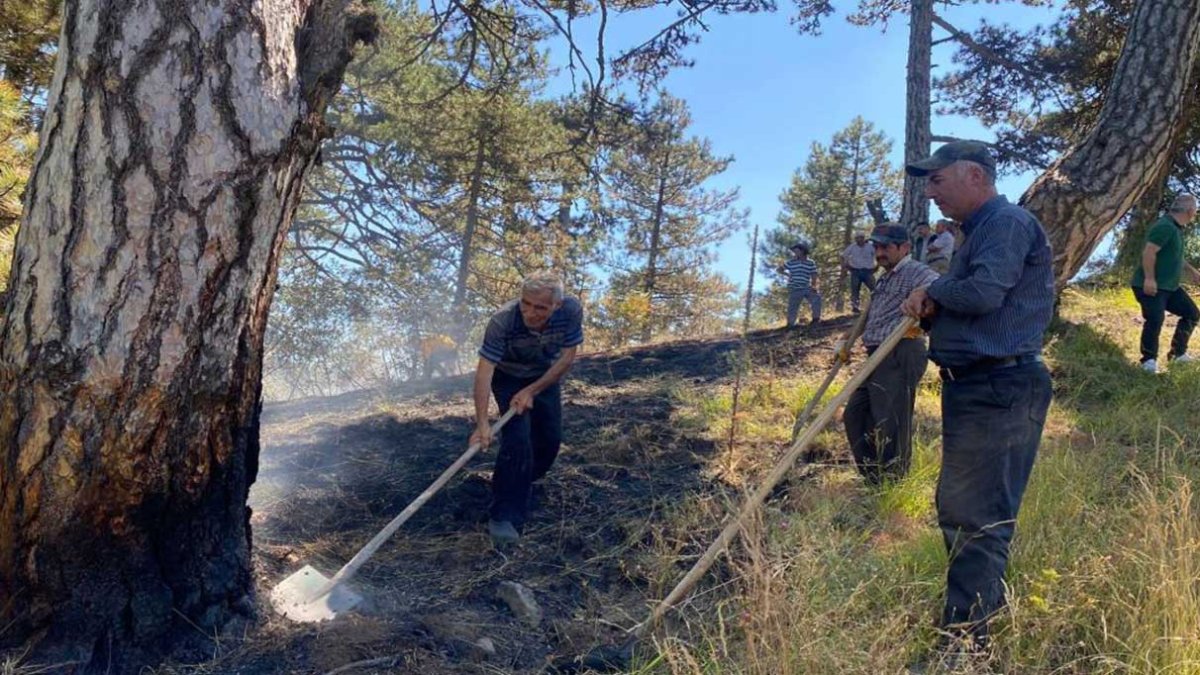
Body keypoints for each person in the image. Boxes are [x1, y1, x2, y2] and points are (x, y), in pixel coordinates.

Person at [901, 141, 1054, 665]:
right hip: (976, 387)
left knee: (980, 518)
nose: (930, 191)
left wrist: (937, 291)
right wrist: (934, 306)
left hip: (1001, 388)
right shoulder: (977, 233)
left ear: (973, 175)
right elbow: (978, 305)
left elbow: (985, 293)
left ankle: (966, 649)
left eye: (937, 179)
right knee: (960, 509)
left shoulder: (1006, 223)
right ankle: (972, 622)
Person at [471, 272, 584, 545]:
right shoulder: (502, 321)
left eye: (540, 307)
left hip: (543, 376)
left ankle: (518, 480)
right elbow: (485, 372)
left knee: (549, 441)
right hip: (507, 377)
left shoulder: (571, 310)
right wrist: (482, 423)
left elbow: (568, 356)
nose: (530, 312)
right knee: (518, 439)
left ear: (556, 306)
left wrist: (532, 390)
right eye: (526, 303)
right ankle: (503, 515)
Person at [841, 224, 939, 484]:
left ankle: (893, 484)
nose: (879, 252)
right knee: (856, 414)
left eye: (886, 247)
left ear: (904, 247)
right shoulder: (885, 278)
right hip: (875, 353)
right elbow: (870, 315)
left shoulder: (913, 270)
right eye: (877, 247)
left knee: (890, 420)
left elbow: (936, 283)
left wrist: (920, 293)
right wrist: (847, 342)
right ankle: (874, 480)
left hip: (900, 349)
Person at [1130, 193, 1200, 373]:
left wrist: (1191, 270)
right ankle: (1148, 361)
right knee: (1155, 319)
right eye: (1195, 210)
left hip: (1169, 287)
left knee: (1191, 314)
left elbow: (1173, 255)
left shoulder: (1176, 228)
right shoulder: (1165, 226)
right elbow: (1149, 252)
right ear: (1190, 211)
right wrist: (1149, 278)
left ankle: (1177, 354)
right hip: (1151, 285)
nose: (1195, 214)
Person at [777, 242, 822, 328]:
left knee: (816, 298)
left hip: (806, 286)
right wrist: (787, 275)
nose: (795, 253)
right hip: (795, 287)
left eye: (797, 251)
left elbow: (814, 274)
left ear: (803, 251)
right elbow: (779, 269)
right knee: (793, 306)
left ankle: (816, 319)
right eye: (794, 251)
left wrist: (814, 286)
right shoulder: (791, 262)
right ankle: (790, 325)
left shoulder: (810, 263)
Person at [842, 231, 877, 313]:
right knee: (855, 290)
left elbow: (877, 254)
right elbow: (843, 256)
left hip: (868, 271)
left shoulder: (870, 247)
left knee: (875, 288)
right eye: (857, 238)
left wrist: (877, 266)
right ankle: (855, 307)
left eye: (861, 237)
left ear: (863, 238)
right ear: (855, 239)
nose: (859, 239)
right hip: (855, 271)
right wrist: (846, 266)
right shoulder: (852, 247)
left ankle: (876, 305)